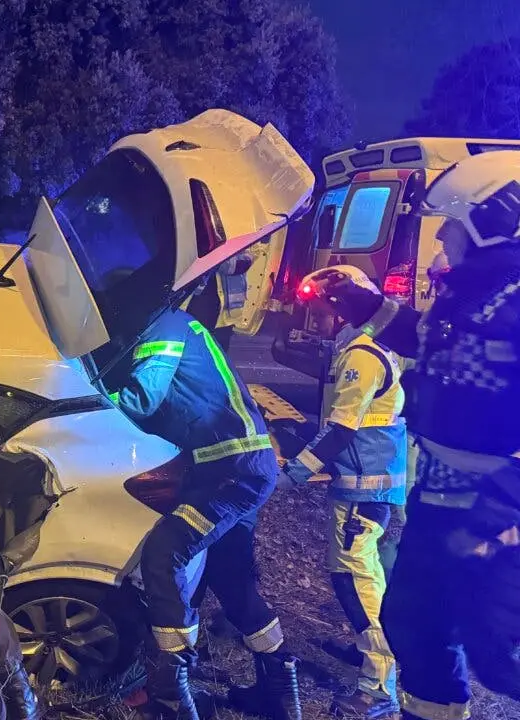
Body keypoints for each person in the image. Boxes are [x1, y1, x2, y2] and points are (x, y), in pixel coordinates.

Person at [307, 150, 520, 720]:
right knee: (415, 623)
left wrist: (500, 517)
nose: (443, 236)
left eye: (454, 222)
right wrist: (359, 300)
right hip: (444, 498)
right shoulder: (478, 295)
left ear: (497, 220)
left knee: (500, 651)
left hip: (495, 514)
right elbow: (427, 339)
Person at [103, 308, 300, 720]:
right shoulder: (178, 323)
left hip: (229, 472)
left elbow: (141, 399)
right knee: (231, 581)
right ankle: (279, 693)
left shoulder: (162, 327)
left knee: (164, 552)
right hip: (235, 468)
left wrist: (91, 401)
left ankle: (171, 695)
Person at [282, 264, 407, 719]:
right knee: (357, 575)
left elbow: (340, 431)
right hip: (366, 484)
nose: (313, 318)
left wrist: (293, 473)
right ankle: (372, 654)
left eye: (318, 309)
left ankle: (377, 686)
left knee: (356, 580)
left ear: (341, 308)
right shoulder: (365, 347)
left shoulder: (361, 356)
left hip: (363, 488)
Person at [186, 250, 253, 352]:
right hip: (194, 309)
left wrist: (213, 258)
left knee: (217, 358)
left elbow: (244, 262)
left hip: (224, 317)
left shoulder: (239, 237)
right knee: (193, 354)